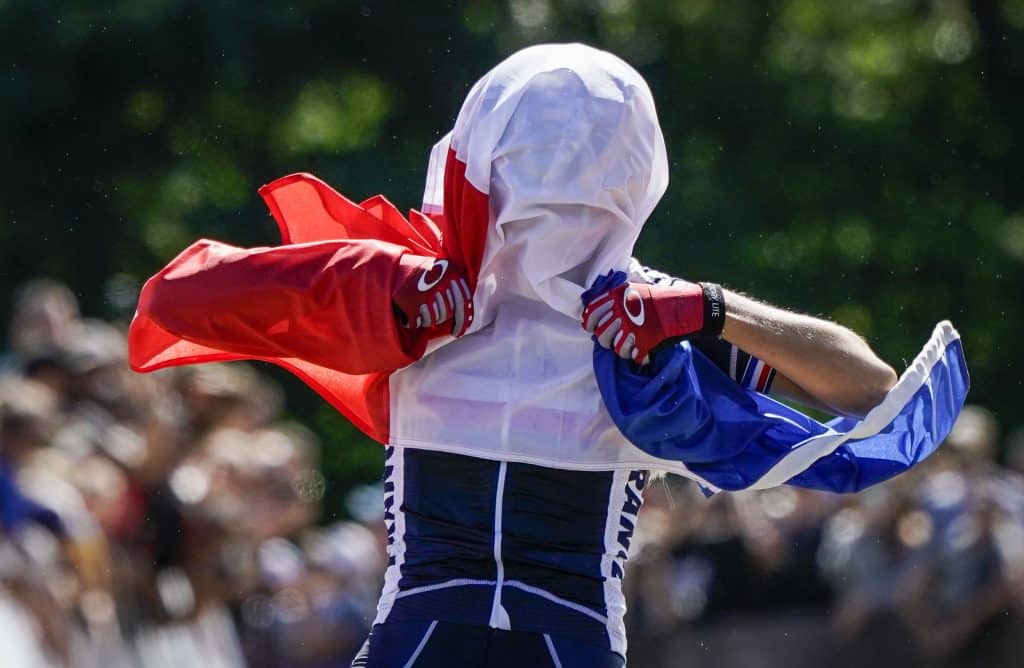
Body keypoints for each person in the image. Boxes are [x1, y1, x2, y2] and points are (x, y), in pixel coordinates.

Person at [129, 44, 964, 667]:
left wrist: (712, 307)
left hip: (433, 644)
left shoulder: (646, 317)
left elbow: (868, 386)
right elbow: (174, 302)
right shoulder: (416, 286)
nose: (559, 188)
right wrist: (374, 288)